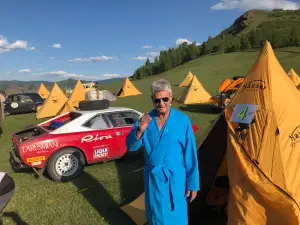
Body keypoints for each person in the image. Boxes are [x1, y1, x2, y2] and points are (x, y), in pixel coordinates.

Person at [126, 79, 200, 225]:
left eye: (165, 99)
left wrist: (193, 184)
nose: (161, 103)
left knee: (176, 216)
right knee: (156, 217)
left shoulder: (182, 120)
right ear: (152, 100)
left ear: (171, 97)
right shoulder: (146, 120)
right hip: (154, 180)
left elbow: (190, 154)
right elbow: (131, 146)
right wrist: (139, 130)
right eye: (157, 100)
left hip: (175, 180)